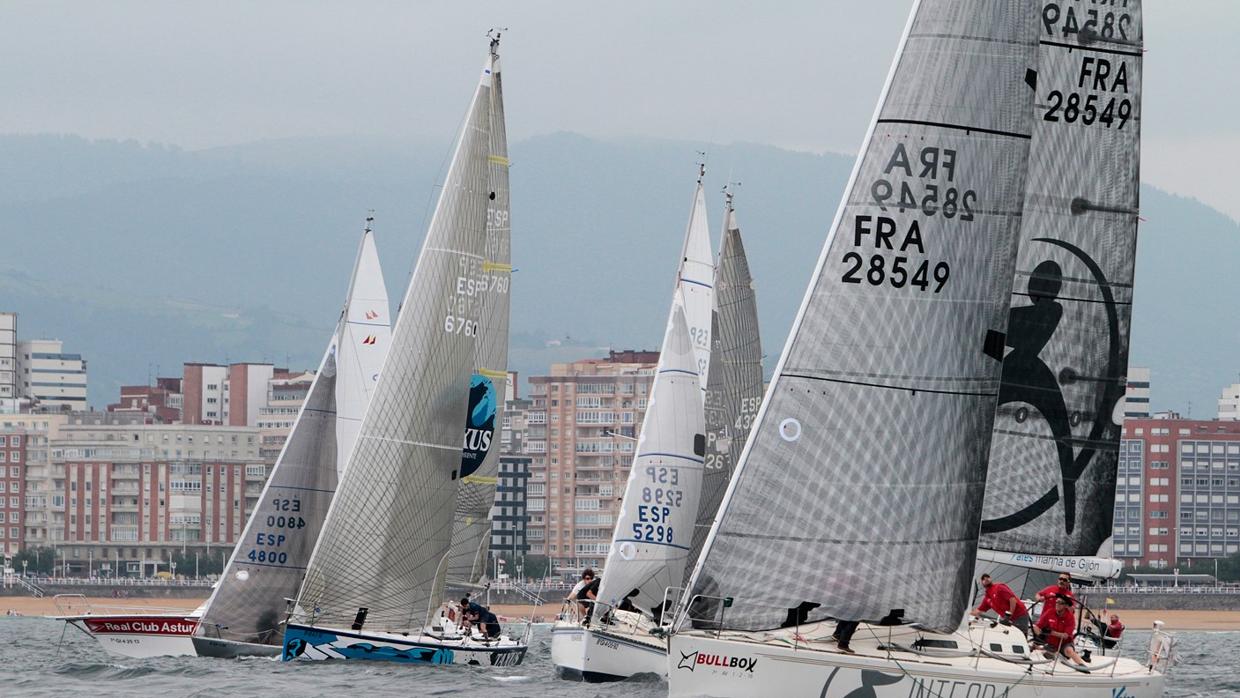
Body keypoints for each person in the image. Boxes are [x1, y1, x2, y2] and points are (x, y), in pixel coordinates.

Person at [1033, 595, 1085, 666]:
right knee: (1034, 646)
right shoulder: (1050, 612)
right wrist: (1039, 635)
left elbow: (1065, 636)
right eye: (1057, 602)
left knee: (1069, 651)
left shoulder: (1070, 618)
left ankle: (1082, 665)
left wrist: (1051, 632)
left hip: (1064, 643)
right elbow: (1037, 626)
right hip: (1051, 643)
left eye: (1060, 603)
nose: (1057, 604)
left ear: (1066, 605)